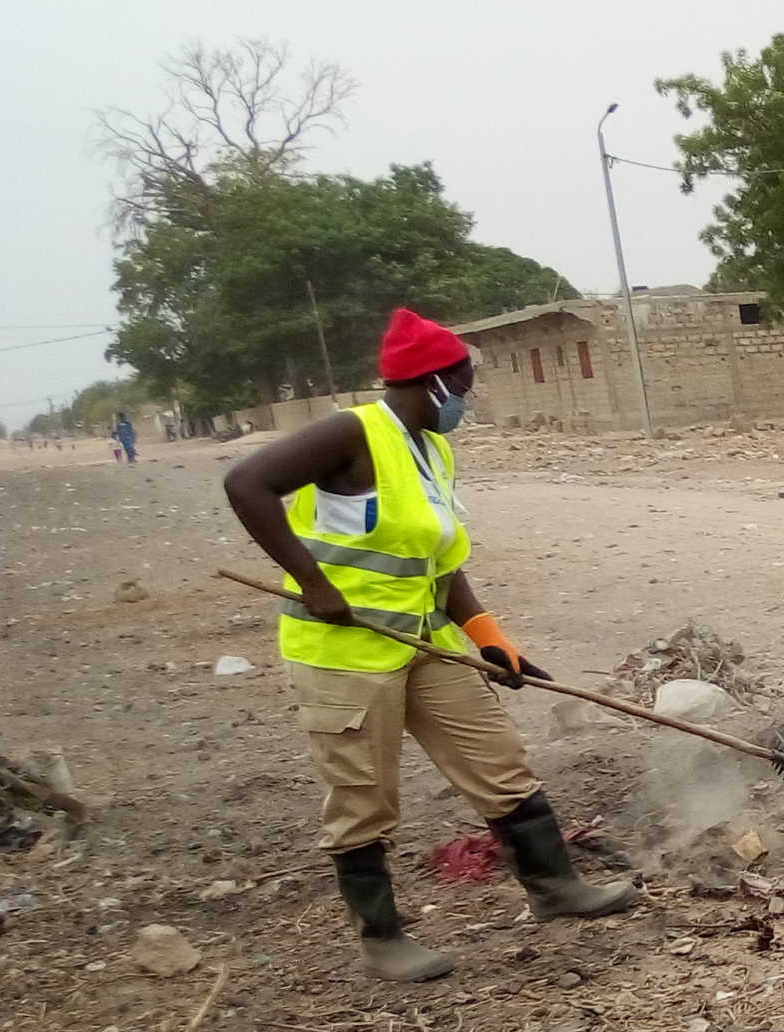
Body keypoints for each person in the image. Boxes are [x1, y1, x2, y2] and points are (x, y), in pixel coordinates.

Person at [223, 308, 636, 981]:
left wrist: (490, 638)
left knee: (498, 762)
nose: (467, 399)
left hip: (422, 640)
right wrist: (312, 580)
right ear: (432, 382)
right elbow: (246, 484)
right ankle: (383, 939)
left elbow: (438, 562)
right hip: (344, 650)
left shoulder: (432, 448)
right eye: (464, 385)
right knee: (362, 797)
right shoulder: (351, 433)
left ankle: (556, 887)